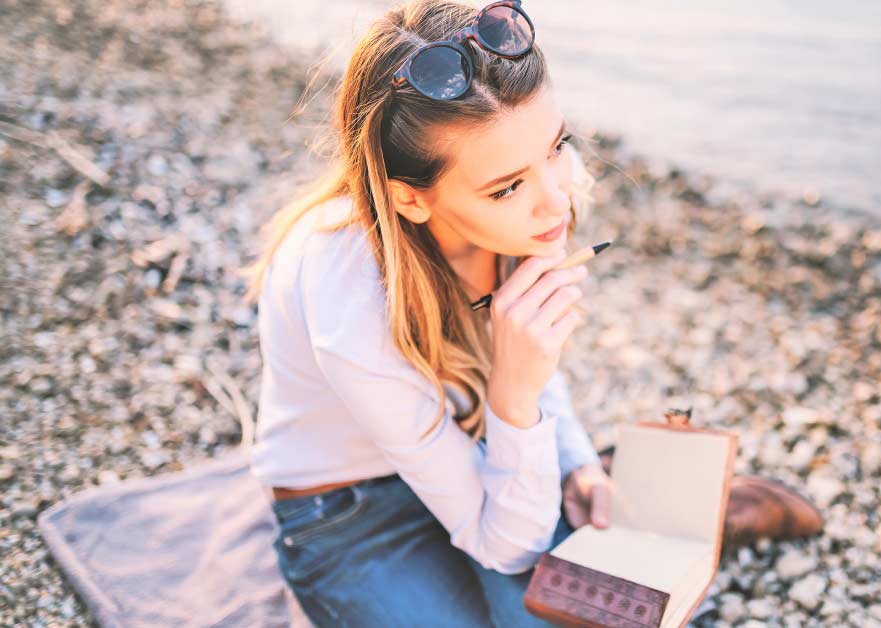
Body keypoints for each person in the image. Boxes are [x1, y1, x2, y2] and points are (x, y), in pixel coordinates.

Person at [239, 1, 821, 626]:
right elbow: (505, 539)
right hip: (349, 512)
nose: (555, 201)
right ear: (410, 198)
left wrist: (571, 460)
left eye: (557, 146)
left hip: (472, 446)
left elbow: (534, 368)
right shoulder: (348, 297)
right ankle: (662, 510)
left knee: (586, 609)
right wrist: (514, 400)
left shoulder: (525, 218)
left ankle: (666, 511)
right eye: (508, 186)